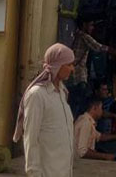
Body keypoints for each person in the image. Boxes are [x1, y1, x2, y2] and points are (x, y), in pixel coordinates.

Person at [13, 43, 76, 177]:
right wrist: (33, 172)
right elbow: (31, 138)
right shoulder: (37, 95)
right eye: (69, 65)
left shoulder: (62, 93)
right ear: (57, 65)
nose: (72, 69)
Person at [69, 19, 116, 117]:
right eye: (91, 25)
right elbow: (100, 47)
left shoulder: (78, 35)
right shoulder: (84, 36)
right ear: (84, 24)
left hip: (77, 76)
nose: (92, 28)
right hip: (78, 76)